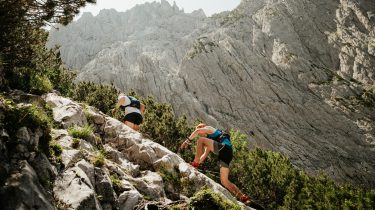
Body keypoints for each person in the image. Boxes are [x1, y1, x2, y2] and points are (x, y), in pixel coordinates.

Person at [180, 123, 251, 205]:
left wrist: (187, 141)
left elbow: (198, 131)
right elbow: (204, 155)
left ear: (203, 127)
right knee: (224, 181)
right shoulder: (210, 141)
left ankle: (194, 164)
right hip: (226, 155)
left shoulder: (209, 128)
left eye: (200, 132)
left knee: (200, 140)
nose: (199, 133)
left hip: (224, 148)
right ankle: (243, 197)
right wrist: (197, 163)